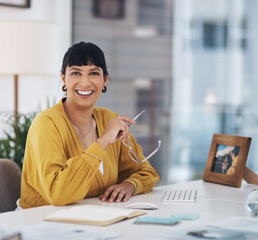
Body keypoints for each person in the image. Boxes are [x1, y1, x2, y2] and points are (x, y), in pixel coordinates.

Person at [19, 42, 159, 209]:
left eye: (93, 73)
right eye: (76, 73)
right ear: (64, 78)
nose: (85, 83)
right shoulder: (46, 123)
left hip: (95, 220)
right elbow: (58, 193)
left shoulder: (109, 118)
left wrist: (129, 186)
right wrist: (103, 141)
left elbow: (147, 173)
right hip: (44, 223)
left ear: (104, 80)